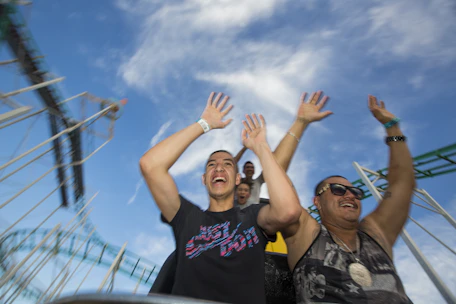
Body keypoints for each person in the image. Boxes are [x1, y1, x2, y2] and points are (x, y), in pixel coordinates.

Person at [139, 92, 302, 304]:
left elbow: (289, 211)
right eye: (211, 164)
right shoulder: (187, 217)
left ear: (237, 179)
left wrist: (261, 148)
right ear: (204, 179)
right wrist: (203, 124)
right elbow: (150, 165)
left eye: (227, 164)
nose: (218, 167)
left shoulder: (253, 216)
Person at [280, 94, 415, 303]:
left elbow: (403, 185)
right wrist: (301, 123)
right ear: (317, 202)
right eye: (338, 189)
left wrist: (392, 127)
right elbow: (276, 174)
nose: (350, 195)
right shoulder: (306, 234)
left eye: (356, 192)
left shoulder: (375, 233)